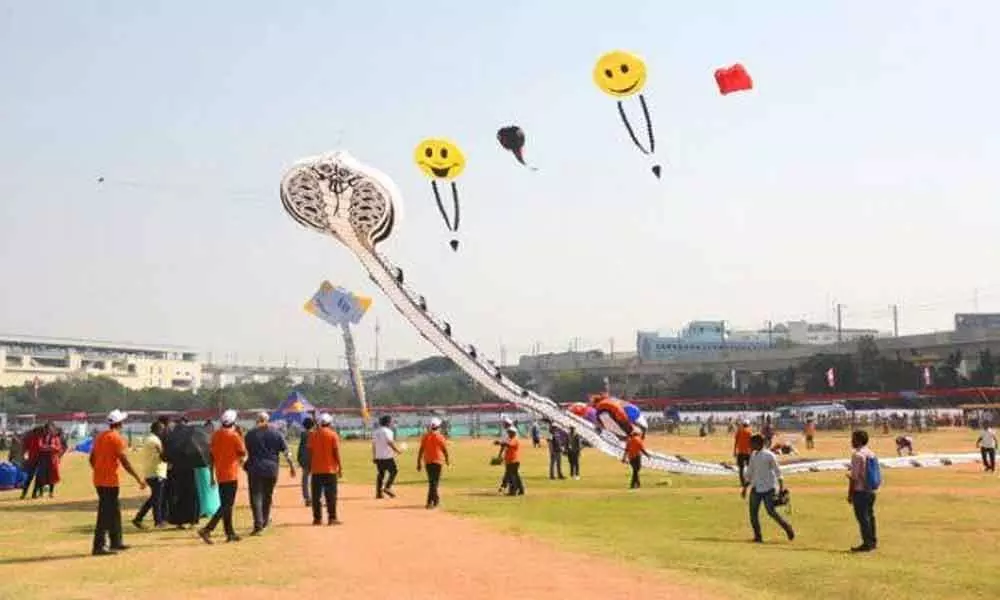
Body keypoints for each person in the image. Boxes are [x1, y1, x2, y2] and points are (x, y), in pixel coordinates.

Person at [90, 410, 146, 556]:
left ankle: (116, 541)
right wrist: (138, 478)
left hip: (99, 480)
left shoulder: (100, 437)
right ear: (120, 424)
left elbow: (91, 458)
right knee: (105, 513)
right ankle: (99, 545)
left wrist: (98, 469)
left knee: (114, 511)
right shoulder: (117, 438)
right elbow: (124, 461)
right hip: (110, 481)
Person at [198, 410, 246, 544]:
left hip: (220, 473)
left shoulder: (215, 435)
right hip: (231, 474)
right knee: (226, 505)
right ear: (234, 422)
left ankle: (230, 533)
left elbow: (211, 456)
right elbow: (242, 453)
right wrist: (241, 436)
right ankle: (207, 529)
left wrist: (212, 474)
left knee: (227, 505)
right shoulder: (235, 436)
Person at [244, 412, 296, 535]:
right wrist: (291, 465)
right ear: (268, 420)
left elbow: (246, 451)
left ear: (257, 420)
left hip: (255, 468)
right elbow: (286, 451)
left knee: (256, 497)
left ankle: (258, 525)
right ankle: (265, 521)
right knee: (267, 495)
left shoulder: (250, 434)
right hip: (271, 469)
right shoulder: (276, 433)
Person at [740, 434, 795, 543]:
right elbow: (750, 473)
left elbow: (778, 472)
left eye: (752, 443)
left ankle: (788, 528)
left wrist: (780, 488)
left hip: (768, 488)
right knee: (753, 514)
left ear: (758, 443)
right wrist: (745, 488)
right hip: (756, 488)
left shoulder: (769, 455)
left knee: (771, 512)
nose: (750, 445)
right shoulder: (753, 455)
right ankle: (758, 536)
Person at [308, 413, 342, 525]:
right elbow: (336, 452)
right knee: (331, 495)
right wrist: (340, 467)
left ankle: (317, 519)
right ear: (329, 423)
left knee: (316, 496)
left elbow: (310, 452)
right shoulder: (333, 435)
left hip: (316, 469)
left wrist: (310, 466)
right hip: (330, 469)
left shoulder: (313, 435)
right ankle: (332, 518)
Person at [133, 422, 168, 529]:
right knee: (157, 499)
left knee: (154, 498)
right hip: (157, 472)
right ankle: (158, 522)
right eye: (162, 430)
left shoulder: (148, 439)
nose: (163, 432)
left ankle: (138, 518)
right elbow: (163, 456)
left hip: (150, 472)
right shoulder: (155, 441)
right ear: (158, 430)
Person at [847, 430, 878, 552]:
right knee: (870, 516)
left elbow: (854, 478)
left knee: (863, 518)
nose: (851, 441)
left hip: (860, 490)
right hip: (871, 489)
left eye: (853, 439)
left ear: (858, 440)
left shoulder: (857, 455)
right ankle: (873, 541)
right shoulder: (871, 453)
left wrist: (850, 494)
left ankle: (867, 543)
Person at [416, 417, 449, 509]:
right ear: (438, 426)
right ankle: (430, 502)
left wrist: (418, 462)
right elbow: (444, 449)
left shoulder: (425, 436)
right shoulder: (440, 436)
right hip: (437, 461)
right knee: (434, 483)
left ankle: (435, 501)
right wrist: (447, 459)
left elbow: (421, 450)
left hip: (427, 461)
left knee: (432, 482)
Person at [372, 415, 401, 499]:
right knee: (394, 471)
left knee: (381, 474)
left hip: (378, 456)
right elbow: (389, 442)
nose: (392, 423)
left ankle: (378, 493)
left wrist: (374, 456)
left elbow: (374, 445)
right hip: (387, 456)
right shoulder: (388, 431)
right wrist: (397, 450)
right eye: (391, 422)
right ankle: (387, 487)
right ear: (388, 422)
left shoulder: (375, 432)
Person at [32, 423, 63, 498]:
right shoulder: (41, 437)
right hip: (43, 460)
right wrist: (50, 447)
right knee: (41, 477)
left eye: (51, 429)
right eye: (48, 429)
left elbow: (58, 448)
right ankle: (39, 492)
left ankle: (51, 493)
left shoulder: (55, 438)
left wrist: (50, 448)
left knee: (52, 477)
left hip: (53, 460)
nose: (50, 431)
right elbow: (40, 447)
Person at [497, 427, 524, 496]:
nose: (508, 433)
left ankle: (513, 491)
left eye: (510, 432)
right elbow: (506, 444)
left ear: (513, 433)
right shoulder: (510, 439)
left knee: (512, 477)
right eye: (508, 432)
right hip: (510, 461)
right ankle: (521, 490)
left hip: (513, 461)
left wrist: (500, 442)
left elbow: (509, 444)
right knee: (516, 477)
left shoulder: (514, 440)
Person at [297, 417, 315, 506]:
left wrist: (299, 458)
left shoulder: (303, 434)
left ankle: (307, 498)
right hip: (315, 458)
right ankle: (318, 497)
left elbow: (300, 447)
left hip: (305, 458)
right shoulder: (315, 434)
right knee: (317, 479)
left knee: (305, 479)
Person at [733, 419, 752, 487]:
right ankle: (749, 481)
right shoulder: (749, 432)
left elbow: (736, 441)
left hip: (740, 452)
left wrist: (734, 451)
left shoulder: (739, 431)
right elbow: (751, 443)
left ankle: (742, 482)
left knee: (741, 468)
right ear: (748, 425)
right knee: (750, 467)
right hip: (748, 452)